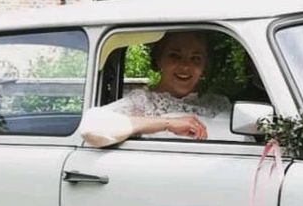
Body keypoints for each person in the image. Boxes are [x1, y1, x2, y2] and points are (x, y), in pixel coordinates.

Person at [80, 31, 230, 147]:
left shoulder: (218, 104)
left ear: (204, 66)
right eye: (175, 56)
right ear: (159, 59)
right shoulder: (142, 102)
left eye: (195, 58)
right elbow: (90, 128)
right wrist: (168, 123)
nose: (185, 66)